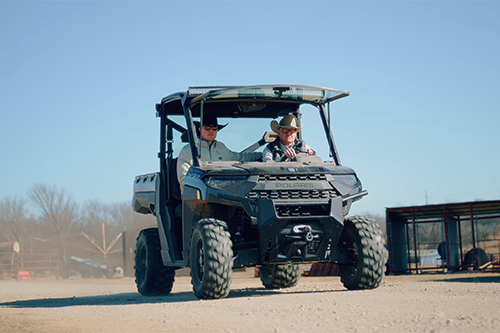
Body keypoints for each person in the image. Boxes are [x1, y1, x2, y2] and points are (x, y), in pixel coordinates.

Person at [177, 114, 261, 194]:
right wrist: (207, 185)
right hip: (195, 197)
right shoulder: (188, 150)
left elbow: (240, 157)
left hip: (220, 195)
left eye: (214, 128)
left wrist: (262, 155)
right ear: (199, 129)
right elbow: (183, 179)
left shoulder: (221, 147)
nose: (211, 131)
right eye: (207, 127)